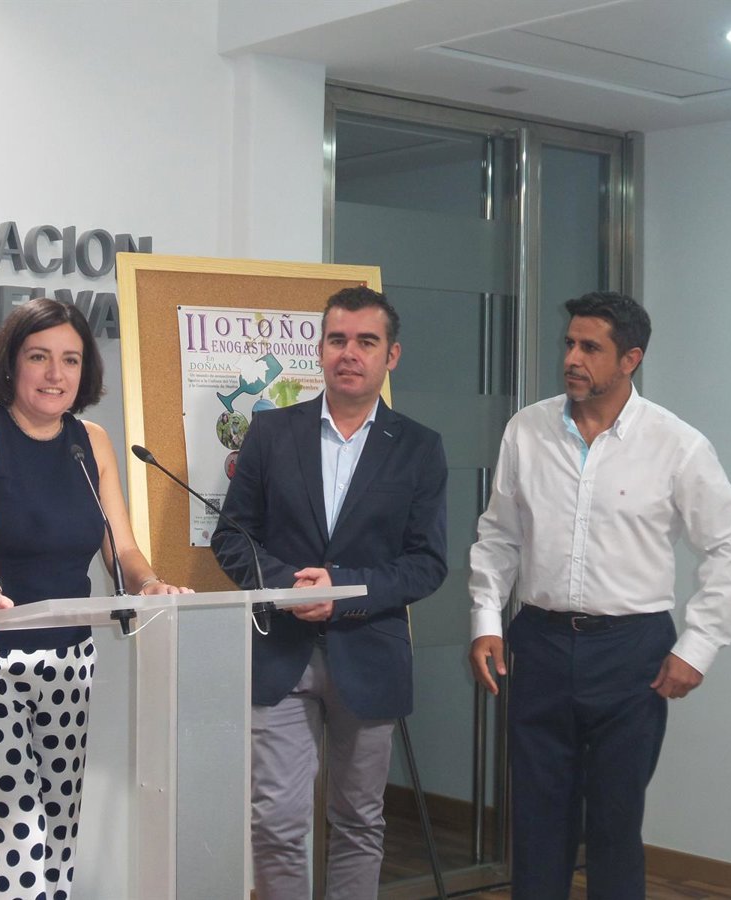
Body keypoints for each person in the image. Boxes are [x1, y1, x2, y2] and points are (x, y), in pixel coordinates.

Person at [468, 292, 731, 899]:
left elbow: (729, 548)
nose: (572, 358)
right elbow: (499, 536)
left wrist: (697, 647)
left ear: (630, 359)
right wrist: (486, 619)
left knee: (615, 822)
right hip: (540, 643)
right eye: (569, 344)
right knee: (537, 819)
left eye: (590, 348)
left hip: (632, 653)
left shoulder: (677, 445)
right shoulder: (527, 430)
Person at [0, 298, 188, 900]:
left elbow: (121, 546)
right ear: (10, 364)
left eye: (70, 360)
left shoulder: (89, 441)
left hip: (69, 655)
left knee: (58, 826)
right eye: (39, 357)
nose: (56, 374)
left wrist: (150, 584)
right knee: (17, 831)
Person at [211, 286, 448, 899]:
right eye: (338, 339)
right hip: (281, 654)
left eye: (366, 341)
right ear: (319, 350)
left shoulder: (419, 447)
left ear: (391, 355)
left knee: (359, 821)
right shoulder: (271, 432)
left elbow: (426, 564)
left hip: (369, 653)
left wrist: (341, 589)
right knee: (275, 820)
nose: (350, 353)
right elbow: (231, 538)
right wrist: (289, 588)